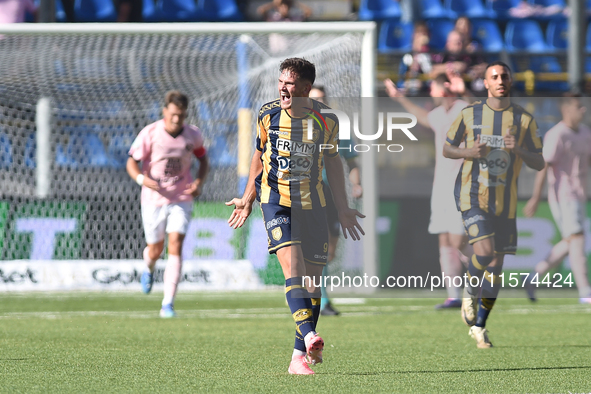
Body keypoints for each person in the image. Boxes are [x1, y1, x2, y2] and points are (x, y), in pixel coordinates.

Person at [226, 58, 364, 375]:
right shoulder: (268, 114)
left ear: (305, 88)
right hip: (276, 202)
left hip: (314, 204)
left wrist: (342, 207)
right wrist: (247, 199)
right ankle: (310, 333)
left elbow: (333, 164)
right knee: (295, 270)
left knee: (314, 282)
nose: (283, 88)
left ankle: (297, 357)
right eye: (281, 82)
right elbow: (259, 158)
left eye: (290, 83)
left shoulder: (326, 120)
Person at [443, 61, 545, 348]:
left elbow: (539, 162)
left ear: (510, 81)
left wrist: (519, 150)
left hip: (505, 201)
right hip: (472, 193)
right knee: (485, 252)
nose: (500, 80)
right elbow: (447, 148)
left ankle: (479, 326)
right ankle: (468, 289)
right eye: (494, 77)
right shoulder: (469, 114)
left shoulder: (524, 119)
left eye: (504, 76)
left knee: (497, 266)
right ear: (486, 84)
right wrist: (468, 151)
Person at [384, 71, 471, 310]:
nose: (430, 92)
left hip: (461, 185)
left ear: (444, 87)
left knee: (458, 239)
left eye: (432, 87)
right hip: (441, 185)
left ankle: (484, 272)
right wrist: (400, 98)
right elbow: (423, 117)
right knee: (444, 238)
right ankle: (454, 295)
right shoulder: (440, 114)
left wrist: (462, 89)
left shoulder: (463, 107)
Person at [127, 91, 209, 318]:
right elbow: (131, 162)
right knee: (155, 249)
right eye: (173, 114)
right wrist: (143, 180)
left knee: (176, 243)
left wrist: (199, 182)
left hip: (181, 197)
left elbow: (203, 160)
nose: (176, 120)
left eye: (181, 116)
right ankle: (149, 267)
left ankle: (168, 303)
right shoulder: (150, 133)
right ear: (164, 111)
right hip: (153, 199)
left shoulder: (193, 135)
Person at [523, 95, 591, 304]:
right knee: (577, 238)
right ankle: (585, 292)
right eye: (579, 107)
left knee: (571, 241)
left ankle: (533, 277)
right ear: (566, 109)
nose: (584, 110)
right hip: (563, 195)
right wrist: (536, 197)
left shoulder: (586, 133)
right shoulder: (557, 134)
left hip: (580, 194)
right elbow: (544, 166)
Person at [309, 85, 363, 316]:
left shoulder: (336, 127)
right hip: (306, 193)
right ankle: (320, 301)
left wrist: (356, 184)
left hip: (330, 194)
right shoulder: (296, 126)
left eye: (321, 99)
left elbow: (351, 160)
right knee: (316, 248)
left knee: (330, 251)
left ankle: (318, 295)